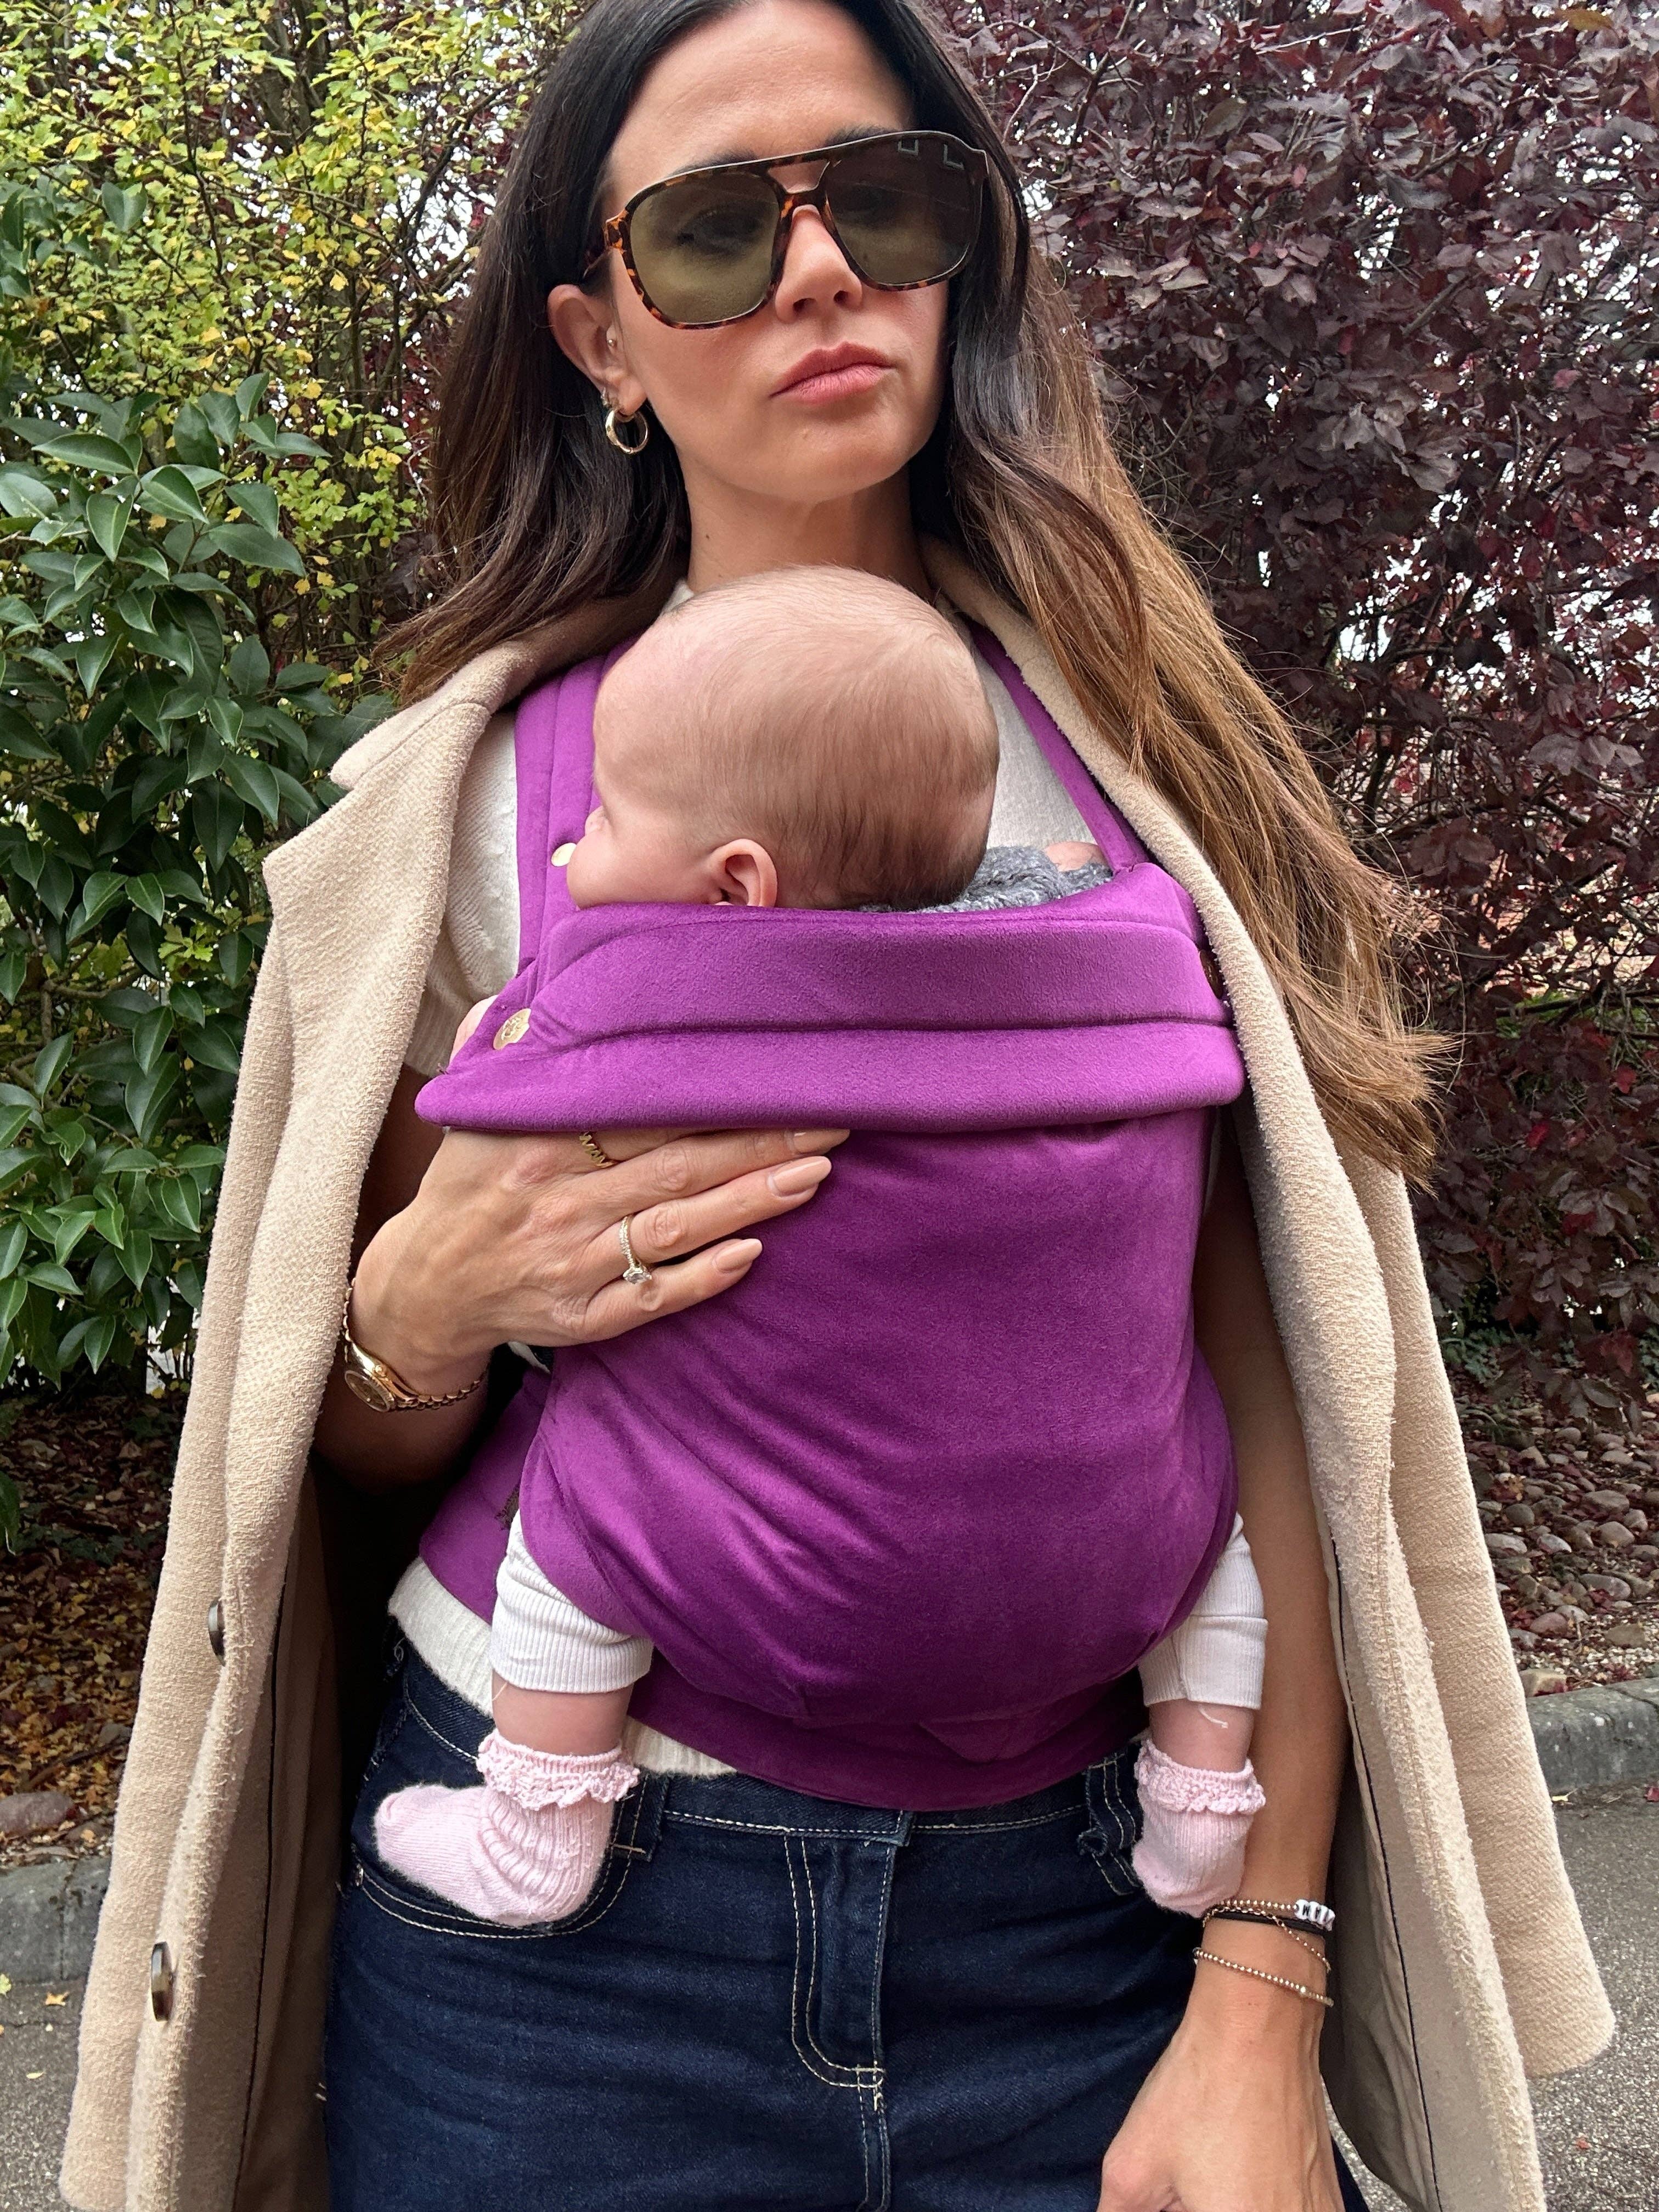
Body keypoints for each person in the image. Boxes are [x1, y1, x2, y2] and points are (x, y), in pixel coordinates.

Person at [60, 2, 1611, 2208]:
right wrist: (414, 1309)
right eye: (713, 231)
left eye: (881, 201)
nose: (816, 274)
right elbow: (368, 1457)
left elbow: (1285, 1400)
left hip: (1096, 1932)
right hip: (565, 1962)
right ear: (600, 334)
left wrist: (1265, 1974)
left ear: (961, 256)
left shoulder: (1159, 787)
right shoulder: (471, 823)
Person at [367, 566, 1269, 1932]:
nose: (570, 856)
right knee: (1208, 1522)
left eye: (605, 822)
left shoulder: (626, 999)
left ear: (738, 886)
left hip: (729, 1593)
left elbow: (481, 1126)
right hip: (1110, 1583)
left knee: (572, 1520)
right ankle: (1204, 1809)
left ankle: (539, 1823)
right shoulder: (1120, 945)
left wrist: (498, 1051)